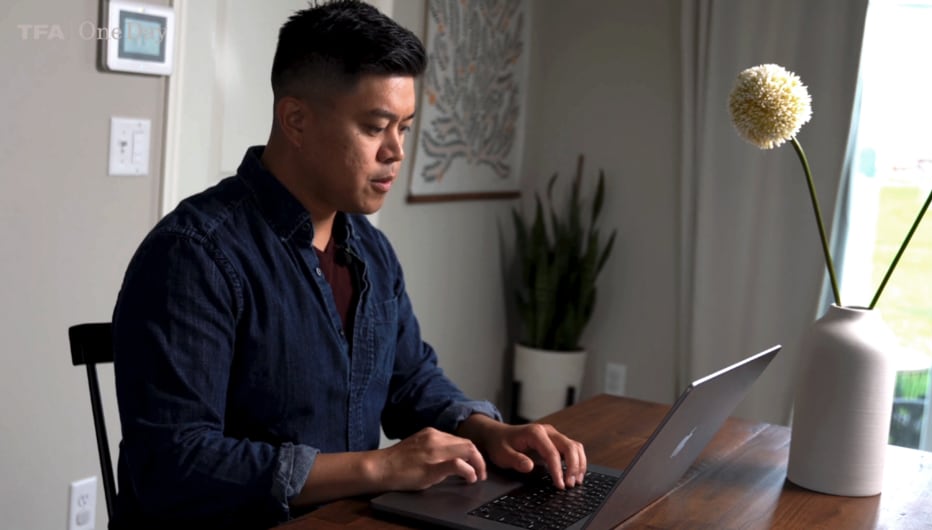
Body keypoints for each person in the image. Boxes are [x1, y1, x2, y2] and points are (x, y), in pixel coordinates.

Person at [110, 1, 586, 528]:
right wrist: (379, 467)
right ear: (296, 119)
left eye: (403, 127)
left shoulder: (370, 250)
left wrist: (490, 431)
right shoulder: (192, 255)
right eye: (375, 126)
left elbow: (409, 381)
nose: (396, 151)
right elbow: (177, 467)